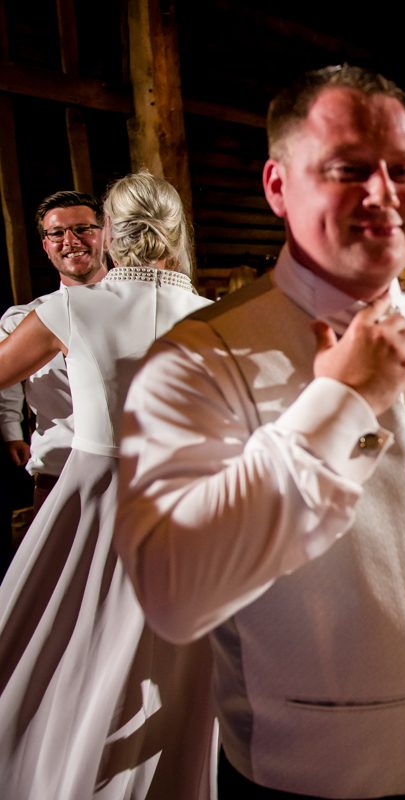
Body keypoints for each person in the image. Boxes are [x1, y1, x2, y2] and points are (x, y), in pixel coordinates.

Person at [114, 65, 405, 798]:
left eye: (404, 170)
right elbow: (173, 591)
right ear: (277, 187)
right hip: (322, 772)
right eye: (347, 170)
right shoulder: (198, 357)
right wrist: (341, 405)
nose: (384, 194)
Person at [0, 171, 214, 799]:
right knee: (166, 685)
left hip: (94, 504)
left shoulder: (71, 308)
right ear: (176, 233)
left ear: (111, 235)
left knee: (61, 662)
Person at [0, 191, 107, 516]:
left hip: (136, 478)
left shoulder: (142, 309)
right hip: (58, 473)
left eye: (83, 229)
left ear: (106, 235)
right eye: (57, 233)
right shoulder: (23, 319)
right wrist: (10, 428)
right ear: (46, 246)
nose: (70, 240)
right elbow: (8, 381)